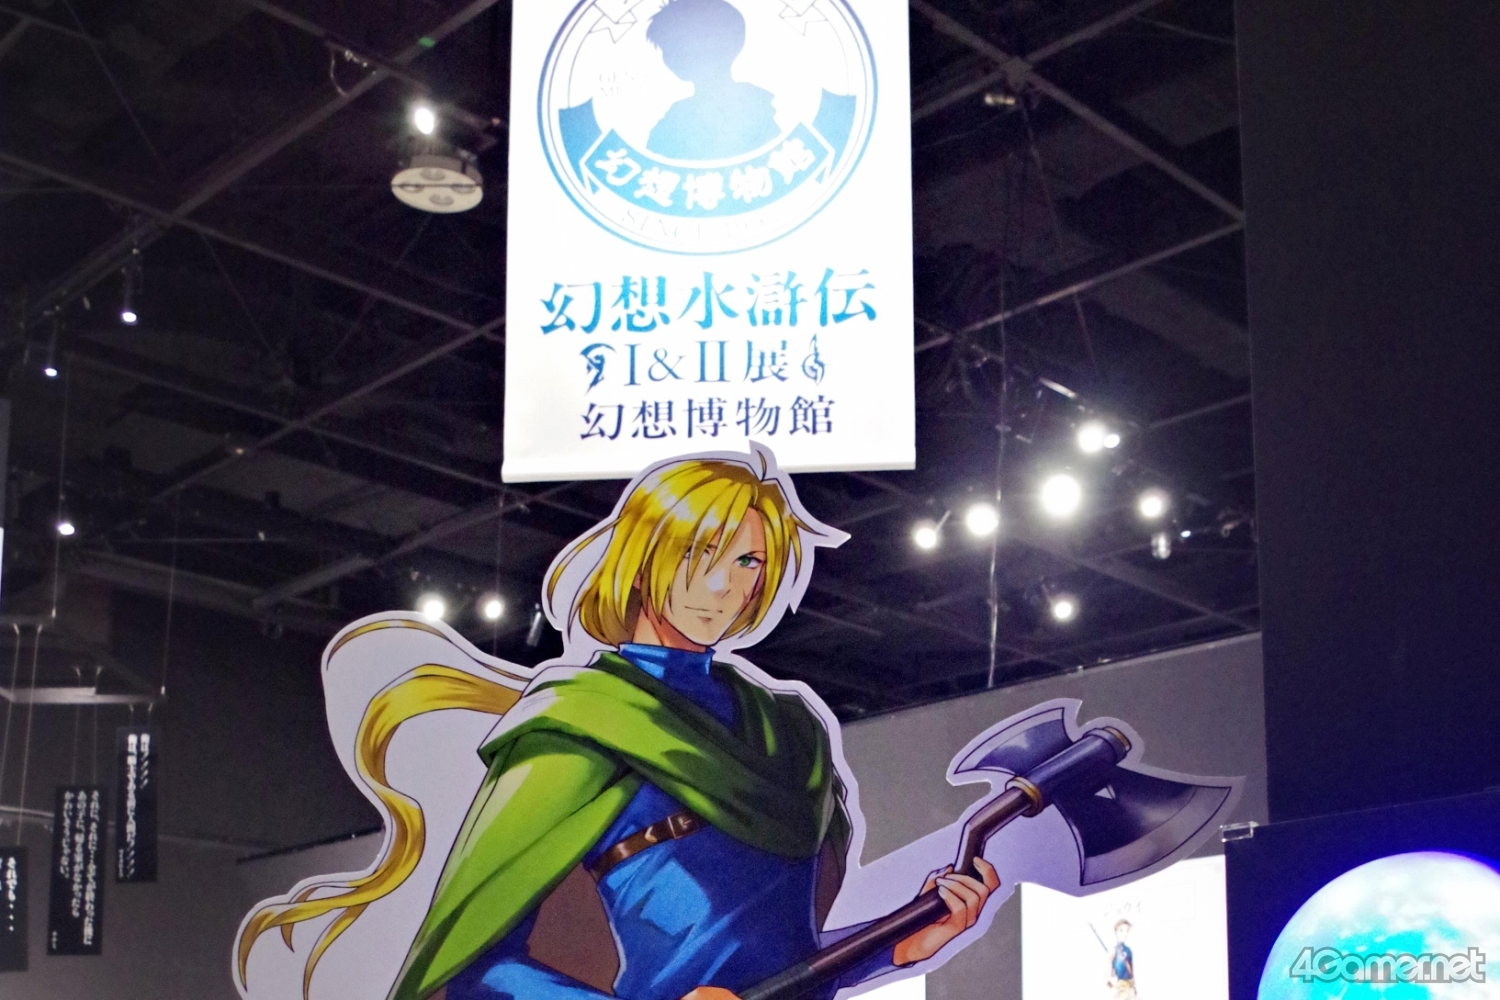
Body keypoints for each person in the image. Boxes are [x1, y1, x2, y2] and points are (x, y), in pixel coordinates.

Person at [237, 451, 998, 1000]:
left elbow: (782, 966)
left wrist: (898, 943)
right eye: (702, 552)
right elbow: (476, 973)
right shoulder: (581, 726)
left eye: (748, 564)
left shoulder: (789, 734)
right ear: (645, 554)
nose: (723, 586)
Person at [645, 0, 781, 160]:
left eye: (680, 45)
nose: (670, 57)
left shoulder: (755, 108)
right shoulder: (673, 121)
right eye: (667, 48)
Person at [1108, 919, 1137, 1000]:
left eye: (1127, 930)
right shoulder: (1113, 950)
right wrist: (1112, 988)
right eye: (1121, 930)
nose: (1124, 933)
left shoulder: (1129, 950)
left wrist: (1134, 987)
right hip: (1120, 987)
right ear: (1116, 932)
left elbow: (1131, 970)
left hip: (1130, 986)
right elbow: (1107, 974)